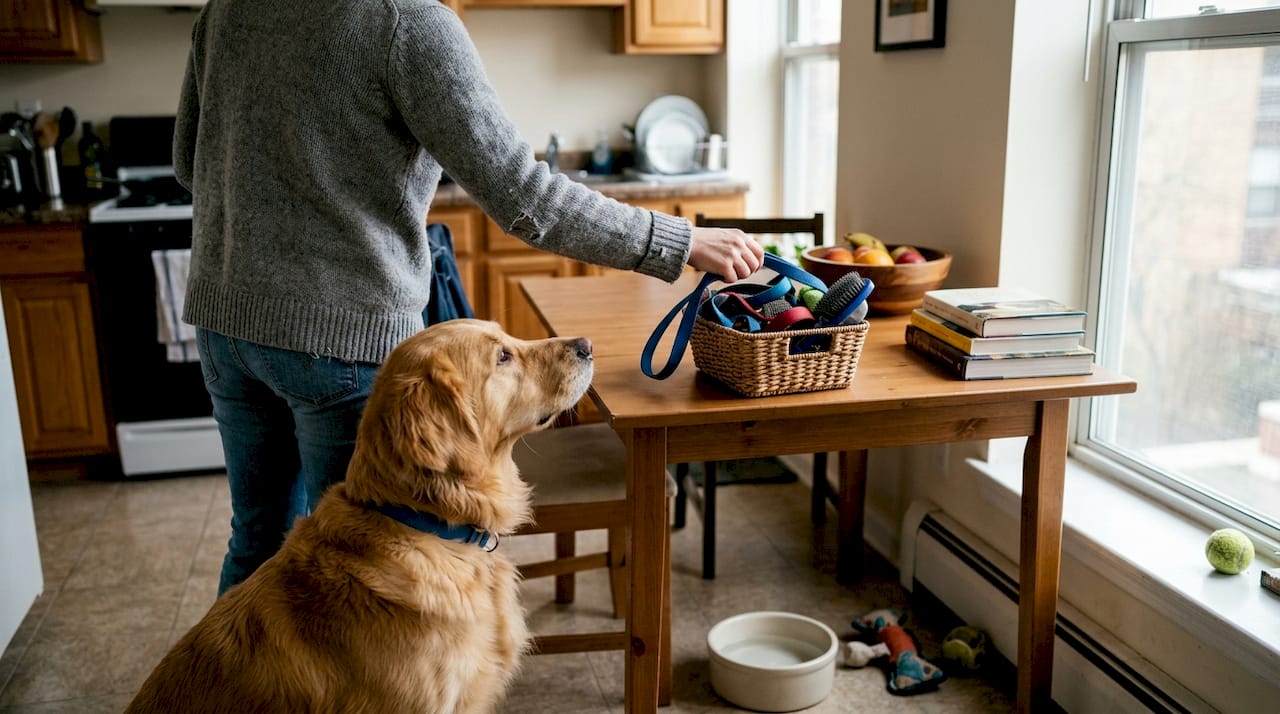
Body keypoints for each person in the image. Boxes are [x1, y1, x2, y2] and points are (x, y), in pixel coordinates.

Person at [173, 0, 764, 595]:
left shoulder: (226, 7)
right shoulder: (405, 19)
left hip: (227, 323)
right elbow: (524, 194)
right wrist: (679, 239)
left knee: (257, 542)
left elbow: (185, 163)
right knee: (359, 570)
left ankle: (237, 691)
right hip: (338, 339)